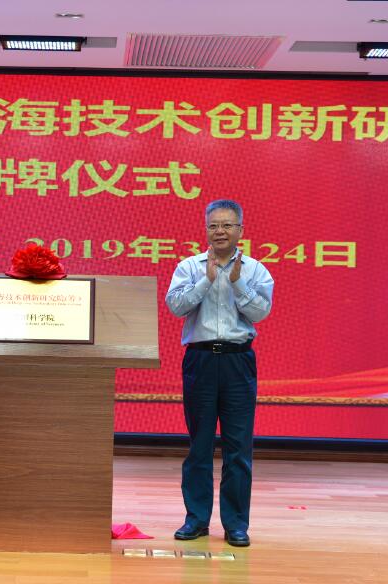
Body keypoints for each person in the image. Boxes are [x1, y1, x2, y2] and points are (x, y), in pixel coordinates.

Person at [165, 199, 274, 548]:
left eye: (227, 225)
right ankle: (196, 519)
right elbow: (175, 306)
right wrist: (206, 281)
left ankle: (236, 524)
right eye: (213, 225)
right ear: (206, 229)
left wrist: (237, 284)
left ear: (240, 230)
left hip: (237, 362)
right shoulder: (189, 266)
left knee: (238, 447)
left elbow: (260, 313)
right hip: (200, 360)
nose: (220, 232)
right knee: (199, 445)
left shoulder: (255, 270)